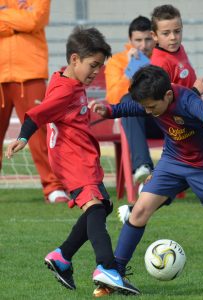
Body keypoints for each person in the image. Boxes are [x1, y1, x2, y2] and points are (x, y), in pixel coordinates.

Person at [91, 65, 203, 295]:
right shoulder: (153, 100)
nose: (148, 112)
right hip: (173, 163)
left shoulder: (188, 101)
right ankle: (115, 274)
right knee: (138, 212)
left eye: (152, 107)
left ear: (167, 95)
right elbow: (132, 108)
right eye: (146, 107)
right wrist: (109, 110)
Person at [5, 26, 140, 297]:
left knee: (100, 206)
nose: (96, 72)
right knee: (95, 211)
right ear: (75, 59)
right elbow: (36, 114)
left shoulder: (65, 80)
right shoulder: (65, 90)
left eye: (100, 67)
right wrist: (23, 137)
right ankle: (107, 267)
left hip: (82, 159)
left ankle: (62, 257)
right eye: (93, 65)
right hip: (73, 161)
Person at [118, 4, 203, 223]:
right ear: (155, 36)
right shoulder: (160, 63)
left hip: (190, 120)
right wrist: (195, 91)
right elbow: (168, 102)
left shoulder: (178, 51)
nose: (173, 37)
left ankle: (137, 208)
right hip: (178, 123)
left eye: (177, 31)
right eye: (166, 33)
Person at [0, 0, 69, 203]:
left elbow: (33, 21)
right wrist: (19, 16)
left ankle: (54, 187)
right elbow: (26, 21)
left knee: (41, 132)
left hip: (31, 72)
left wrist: (5, 15)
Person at [104, 15, 163, 184]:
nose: (143, 46)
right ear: (130, 40)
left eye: (148, 39)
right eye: (138, 40)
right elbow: (115, 100)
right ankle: (143, 167)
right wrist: (131, 71)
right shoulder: (117, 62)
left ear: (154, 37)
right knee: (128, 101)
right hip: (137, 121)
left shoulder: (163, 57)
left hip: (165, 119)